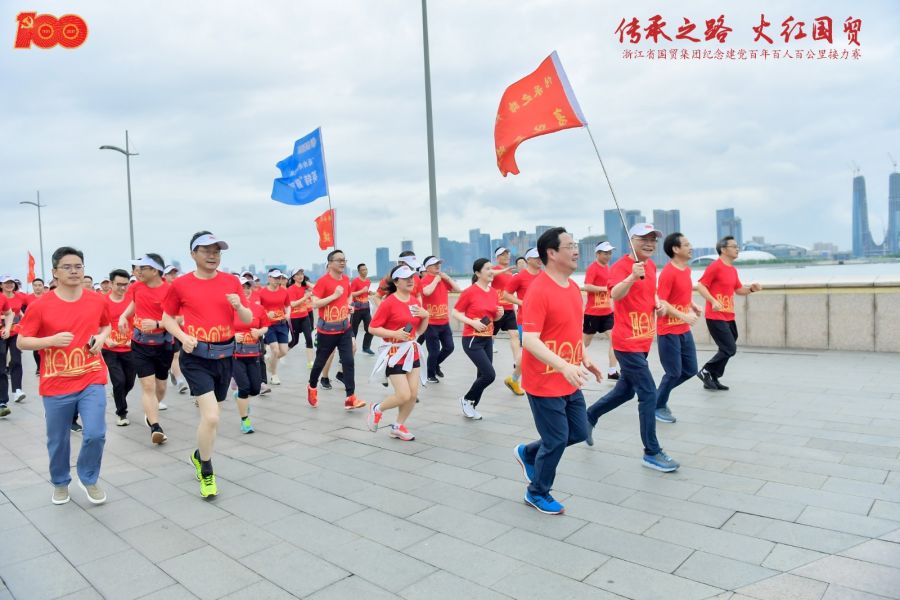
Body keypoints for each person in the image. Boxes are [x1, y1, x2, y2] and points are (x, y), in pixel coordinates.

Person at [513, 228, 602, 515]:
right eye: (570, 246)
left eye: (575, 245)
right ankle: (536, 492)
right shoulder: (538, 290)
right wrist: (563, 365)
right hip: (544, 381)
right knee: (555, 440)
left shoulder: (573, 288)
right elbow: (529, 339)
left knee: (578, 431)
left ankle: (527, 452)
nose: (576, 250)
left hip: (569, 377)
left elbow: (572, 331)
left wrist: (584, 357)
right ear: (551, 253)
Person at [17, 246, 112, 505]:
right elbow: (22, 341)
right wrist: (51, 340)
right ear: (55, 272)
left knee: (95, 433)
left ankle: (88, 477)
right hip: (56, 382)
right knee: (58, 440)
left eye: (78, 266)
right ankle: (60, 482)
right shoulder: (40, 306)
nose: (74, 271)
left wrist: (101, 338)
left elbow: (106, 325)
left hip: (91, 376)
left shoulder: (96, 300)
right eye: (67, 267)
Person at [161, 231, 252, 498]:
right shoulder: (181, 285)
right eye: (206, 250)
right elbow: (167, 318)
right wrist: (183, 337)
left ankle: (198, 455)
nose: (212, 255)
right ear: (193, 254)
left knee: (212, 419)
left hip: (225, 357)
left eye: (217, 251)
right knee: (211, 417)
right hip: (196, 358)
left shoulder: (231, 281)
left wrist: (239, 306)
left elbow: (247, 319)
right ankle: (207, 470)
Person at [585, 223, 680, 473]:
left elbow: (650, 294)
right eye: (643, 239)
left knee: (626, 391)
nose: (649, 243)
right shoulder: (620, 267)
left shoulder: (651, 266)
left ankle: (589, 416)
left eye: (653, 239)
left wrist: (658, 304)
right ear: (631, 241)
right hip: (626, 342)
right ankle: (651, 452)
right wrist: (631, 276)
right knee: (648, 393)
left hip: (644, 339)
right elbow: (614, 294)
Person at [366, 264, 429, 440]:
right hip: (394, 353)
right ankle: (377, 408)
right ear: (396, 282)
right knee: (403, 395)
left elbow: (419, 331)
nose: (410, 280)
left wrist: (426, 316)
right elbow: (372, 328)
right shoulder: (389, 302)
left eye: (412, 277)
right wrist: (394, 334)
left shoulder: (414, 301)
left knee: (413, 395)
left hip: (411, 351)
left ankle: (398, 426)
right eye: (405, 278)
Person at [117, 253, 173, 445]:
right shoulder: (136, 287)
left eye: (142, 268)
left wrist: (158, 323)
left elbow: (179, 318)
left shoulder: (169, 291)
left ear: (155, 270)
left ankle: (151, 411)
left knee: (161, 387)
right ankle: (155, 427)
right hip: (140, 343)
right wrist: (123, 316)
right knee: (148, 386)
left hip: (163, 344)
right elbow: (134, 303)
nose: (137, 271)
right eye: (137, 268)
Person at [696, 236, 762, 391]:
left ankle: (712, 377)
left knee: (727, 348)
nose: (737, 249)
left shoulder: (732, 270)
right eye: (734, 246)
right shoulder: (715, 266)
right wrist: (713, 301)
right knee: (729, 348)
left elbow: (738, 290)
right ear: (724, 249)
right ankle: (706, 370)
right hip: (715, 316)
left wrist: (751, 289)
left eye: (737, 246)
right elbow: (701, 286)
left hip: (729, 316)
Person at [307, 249, 366, 411]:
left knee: (348, 361)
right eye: (339, 260)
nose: (342, 262)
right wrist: (333, 296)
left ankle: (350, 398)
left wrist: (348, 306)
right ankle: (312, 386)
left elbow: (348, 296)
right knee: (320, 362)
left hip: (344, 328)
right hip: (327, 331)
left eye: (344, 260)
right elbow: (315, 303)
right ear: (330, 263)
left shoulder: (346, 279)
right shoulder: (323, 281)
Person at [654, 233, 702, 423]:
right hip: (668, 331)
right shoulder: (668, 272)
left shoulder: (686, 270)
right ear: (675, 249)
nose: (691, 248)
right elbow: (662, 300)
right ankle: (657, 405)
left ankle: (657, 397)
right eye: (686, 244)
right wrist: (684, 316)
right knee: (673, 372)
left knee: (690, 370)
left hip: (683, 330)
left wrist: (692, 305)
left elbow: (681, 294)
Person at [452, 258, 504, 420]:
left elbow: (493, 317)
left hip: (488, 338)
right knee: (489, 375)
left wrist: (499, 314)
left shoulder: (493, 292)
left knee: (481, 375)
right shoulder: (470, 292)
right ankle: (466, 399)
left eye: (492, 268)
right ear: (478, 273)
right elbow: (455, 312)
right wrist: (472, 322)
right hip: (472, 339)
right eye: (487, 269)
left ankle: (472, 406)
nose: (491, 271)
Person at [503, 247, 543, 395]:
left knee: (532, 352)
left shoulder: (545, 275)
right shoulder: (519, 277)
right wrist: (522, 303)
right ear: (528, 260)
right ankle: (521, 379)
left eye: (541, 257)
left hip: (543, 320)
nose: (540, 260)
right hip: (525, 320)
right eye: (537, 257)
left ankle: (514, 379)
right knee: (531, 351)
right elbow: (506, 295)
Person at [232, 278, 269, 434]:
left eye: (248, 287)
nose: (246, 290)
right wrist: (233, 335)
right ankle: (245, 421)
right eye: (242, 287)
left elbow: (266, 326)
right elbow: (222, 328)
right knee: (244, 387)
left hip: (253, 353)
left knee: (255, 389)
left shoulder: (258, 308)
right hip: (235, 355)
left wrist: (259, 332)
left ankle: (240, 398)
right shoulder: (229, 309)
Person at [103, 269, 137, 426]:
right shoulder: (102, 302)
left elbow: (139, 320)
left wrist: (134, 339)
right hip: (110, 349)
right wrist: (106, 339)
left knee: (129, 382)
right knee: (119, 381)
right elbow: (95, 324)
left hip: (130, 347)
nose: (123, 288)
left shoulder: (132, 300)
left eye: (126, 284)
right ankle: (121, 413)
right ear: (111, 284)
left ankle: (118, 395)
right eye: (119, 284)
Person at [582, 241, 620, 380]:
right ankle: (569, 364)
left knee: (615, 340)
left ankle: (612, 371)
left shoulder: (609, 268)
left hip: (607, 313)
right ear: (597, 254)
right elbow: (587, 286)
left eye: (610, 253)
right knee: (584, 344)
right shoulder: (593, 268)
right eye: (605, 253)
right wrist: (604, 289)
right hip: (592, 313)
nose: (608, 255)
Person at [420, 256, 460, 384]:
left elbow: (458, 289)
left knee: (449, 347)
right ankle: (430, 375)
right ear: (427, 267)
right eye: (434, 264)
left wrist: (447, 278)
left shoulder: (443, 279)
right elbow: (426, 292)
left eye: (439, 264)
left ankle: (435, 364)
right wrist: (436, 280)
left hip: (444, 322)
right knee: (434, 351)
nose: (438, 266)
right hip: (430, 323)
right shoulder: (424, 280)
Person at [491, 248, 520, 394]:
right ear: (497, 257)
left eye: (507, 254)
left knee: (515, 335)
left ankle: (516, 360)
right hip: (496, 309)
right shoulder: (495, 269)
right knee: (491, 337)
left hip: (508, 309)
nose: (506, 256)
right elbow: (490, 274)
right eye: (503, 255)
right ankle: (485, 360)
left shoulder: (511, 274)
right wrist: (504, 270)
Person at [259, 269, 291, 385]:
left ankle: (270, 360)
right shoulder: (262, 292)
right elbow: (257, 308)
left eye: (279, 278)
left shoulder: (284, 291)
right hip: (269, 325)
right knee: (275, 350)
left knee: (284, 351)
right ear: (269, 278)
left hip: (282, 324)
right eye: (275, 278)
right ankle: (274, 375)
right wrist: (266, 315)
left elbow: (287, 305)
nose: (277, 280)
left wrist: (288, 314)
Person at [0, 275, 29, 404]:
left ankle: (17, 390)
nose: (9, 285)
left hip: (15, 332)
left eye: (11, 282)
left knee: (16, 360)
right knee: (2, 362)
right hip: (2, 333)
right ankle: (3, 398)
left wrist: (24, 320)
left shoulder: (20, 296)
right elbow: (9, 313)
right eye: (6, 283)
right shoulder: (2, 297)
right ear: (1, 285)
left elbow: (19, 312)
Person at [287, 267, 315, 368]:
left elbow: (317, 289)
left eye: (302, 274)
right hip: (294, 318)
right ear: (293, 277)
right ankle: (281, 353)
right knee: (295, 341)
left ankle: (310, 362)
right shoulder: (291, 289)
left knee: (309, 339)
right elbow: (293, 304)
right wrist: (305, 297)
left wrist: (306, 283)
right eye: (298, 275)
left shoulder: (304, 287)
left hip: (304, 316)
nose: (300, 276)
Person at [350, 263, 375, 356]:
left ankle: (366, 347)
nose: (365, 271)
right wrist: (362, 291)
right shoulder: (355, 281)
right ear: (359, 271)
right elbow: (351, 294)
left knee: (370, 329)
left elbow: (364, 292)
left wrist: (369, 292)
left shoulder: (368, 281)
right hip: (356, 309)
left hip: (366, 308)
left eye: (366, 269)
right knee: (353, 331)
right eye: (363, 270)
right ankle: (349, 350)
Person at [26, 277, 46, 375]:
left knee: (47, 346)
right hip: (34, 326)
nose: (37, 287)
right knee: (36, 347)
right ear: (32, 286)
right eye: (35, 285)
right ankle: (39, 367)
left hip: (46, 325)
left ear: (43, 286)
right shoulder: (27, 298)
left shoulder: (48, 297)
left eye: (39, 285)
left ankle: (46, 365)